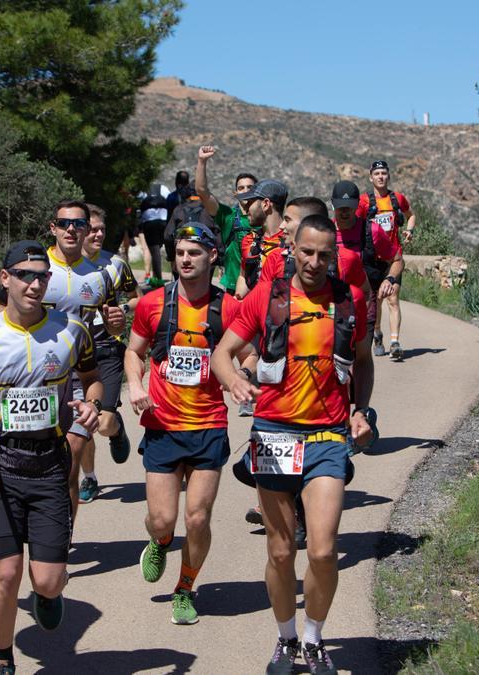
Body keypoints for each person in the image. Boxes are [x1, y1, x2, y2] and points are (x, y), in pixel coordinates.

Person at [211, 215, 375, 675]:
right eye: (307, 252)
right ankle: (285, 638)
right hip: (274, 433)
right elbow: (223, 353)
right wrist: (235, 382)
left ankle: (314, 637)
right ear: (292, 249)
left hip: (326, 435)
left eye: (325, 254)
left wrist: (360, 410)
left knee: (322, 550)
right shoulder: (268, 296)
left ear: (334, 254)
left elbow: (362, 361)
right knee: (281, 551)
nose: (315, 262)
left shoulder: (349, 300)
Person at [0, 240, 102, 675]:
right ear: (5, 279)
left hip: (50, 462)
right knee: (7, 574)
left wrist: (93, 404)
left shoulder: (72, 331)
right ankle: (2, 655)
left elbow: (91, 376)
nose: (34, 283)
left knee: (47, 579)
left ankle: (48, 596)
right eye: (25, 275)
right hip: (0, 464)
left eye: (42, 275)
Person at [126, 224, 251, 625]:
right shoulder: (152, 304)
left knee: (197, 517)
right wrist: (134, 383)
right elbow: (134, 351)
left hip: (209, 426)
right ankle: (161, 541)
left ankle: (185, 589)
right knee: (163, 519)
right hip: (162, 424)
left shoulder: (229, 308)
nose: (184, 259)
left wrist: (239, 378)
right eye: (179, 252)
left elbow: (249, 354)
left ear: (212, 256)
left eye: (194, 252)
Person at [40, 201, 125, 518]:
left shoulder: (100, 277)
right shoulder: (35, 267)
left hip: (81, 377)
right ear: (54, 228)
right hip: (38, 379)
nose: (71, 230)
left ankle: (60, 541)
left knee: (73, 453)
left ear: (87, 229)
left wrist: (117, 322)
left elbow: (113, 320)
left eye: (78, 224)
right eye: (64, 224)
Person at [80, 204, 141, 501]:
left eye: (102, 229)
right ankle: (89, 478)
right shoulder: (55, 269)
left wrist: (122, 311)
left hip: (106, 350)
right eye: (92, 229)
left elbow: (136, 299)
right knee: (83, 424)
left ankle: (117, 432)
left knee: (102, 422)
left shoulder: (115, 264)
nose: (99, 234)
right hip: (71, 358)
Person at [356, 160, 412, 359]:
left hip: (393, 258)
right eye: (377, 173)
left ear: (388, 176)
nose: (381, 177)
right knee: (376, 301)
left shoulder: (397, 198)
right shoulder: (364, 201)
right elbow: (356, 225)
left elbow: (411, 215)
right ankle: (378, 334)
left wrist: (409, 230)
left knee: (393, 299)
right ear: (371, 177)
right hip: (372, 260)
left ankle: (395, 342)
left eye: (384, 173)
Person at [194, 145, 258, 294]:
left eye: (250, 187)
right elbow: (202, 192)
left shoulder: (266, 218)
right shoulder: (228, 216)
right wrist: (202, 161)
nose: (245, 191)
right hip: (233, 287)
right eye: (241, 188)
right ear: (235, 193)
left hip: (261, 289)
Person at [235, 179, 290, 299]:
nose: (245, 207)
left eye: (250, 203)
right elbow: (244, 277)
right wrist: (237, 302)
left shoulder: (291, 241)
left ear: (265, 204)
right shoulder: (249, 239)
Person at [137, 185, 169, 284]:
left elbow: (138, 208)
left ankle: (158, 279)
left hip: (149, 222)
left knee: (154, 251)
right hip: (163, 221)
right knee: (157, 249)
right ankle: (157, 276)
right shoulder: (163, 188)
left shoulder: (143, 190)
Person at [329, 180, 364, 254]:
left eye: (349, 206)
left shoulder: (372, 230)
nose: (344, 211)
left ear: (358, 203)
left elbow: (394, 259)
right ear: (332, 204)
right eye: (340, 206)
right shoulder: (325, 232)